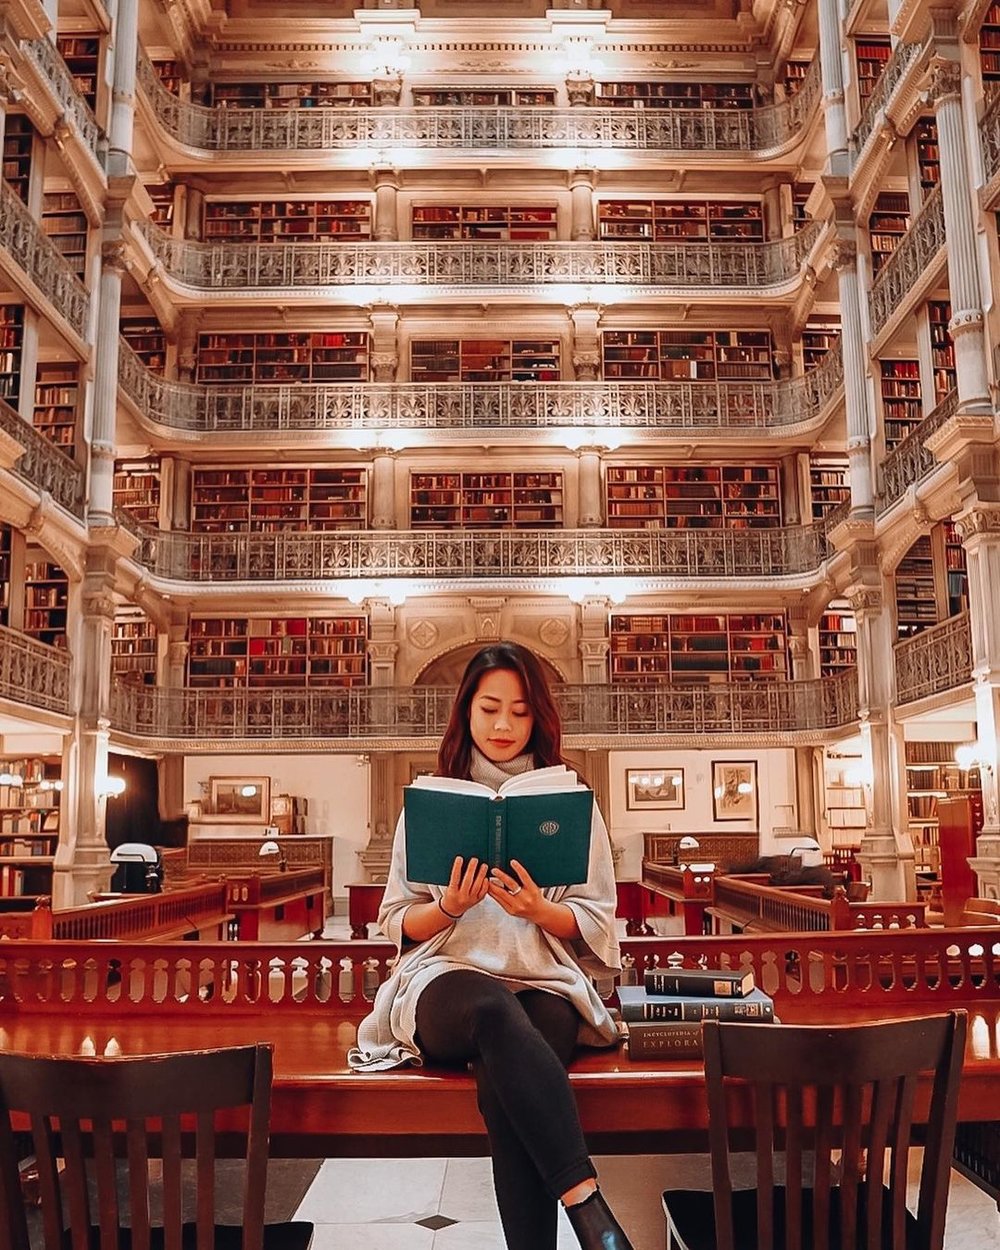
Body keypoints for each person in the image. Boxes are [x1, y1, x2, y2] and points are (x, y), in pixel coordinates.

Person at [349, 641, 634, 1250]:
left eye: (521, 710)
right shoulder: (429, 803)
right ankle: (588, 1203)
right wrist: (449, 906)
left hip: (542, 980)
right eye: (489, 708)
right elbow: (397, 922)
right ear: (466, 713)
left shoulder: (572, 802)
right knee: (490, 1009)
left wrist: (539, 909)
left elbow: (598, 920)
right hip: (444, 981)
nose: (504, 725)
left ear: (539, 718)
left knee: (509, 1090)